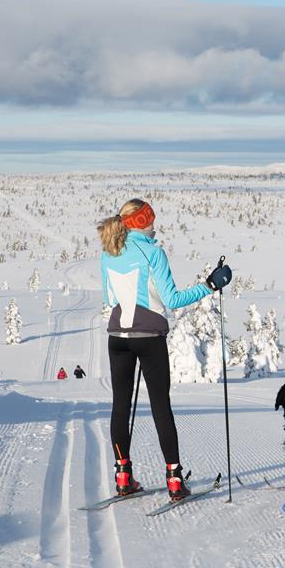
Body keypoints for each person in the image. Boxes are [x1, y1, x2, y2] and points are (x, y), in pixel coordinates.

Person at [98, 199, 232, 501]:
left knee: (120, 406)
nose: (154, 224)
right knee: (160, 405)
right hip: (149, 336)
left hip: (117, 335)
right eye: (149, 218)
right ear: (138, 221)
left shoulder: (109, 251)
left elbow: (108, 296)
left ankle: (123, 476)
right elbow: (171, 300)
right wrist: (209, 285)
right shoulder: (153, 252)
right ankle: (173, 477)